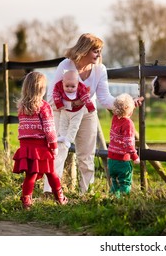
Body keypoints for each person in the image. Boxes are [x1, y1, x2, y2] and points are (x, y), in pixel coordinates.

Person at [44, 33, 143, 194]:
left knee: (87, 155)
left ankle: (86, 193)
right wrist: (72, 104)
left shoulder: (99, 69)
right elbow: (50, 98)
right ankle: (51, 191)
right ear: (84, 50)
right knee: (59, 150)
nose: (99, 54)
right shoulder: (66, 66)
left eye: (100, 51)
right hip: (62, 112)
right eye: (95, 50)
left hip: (86, 113)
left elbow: (105, 98)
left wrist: (127, 102)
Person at [12, 72, 68, 210]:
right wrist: (54, 146)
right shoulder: (43, 107)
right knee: (51, 173)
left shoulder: (22, 107)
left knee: (30, 175)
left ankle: (26, 201)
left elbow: (23, 129)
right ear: (42, 89)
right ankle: (60, 198)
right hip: (40, 147)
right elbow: (49, 128)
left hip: (26, 147)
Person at [107, 93, 140, 198]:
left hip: (111, 159)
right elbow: (128, 143)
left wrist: (132, 104)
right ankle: (124, 201)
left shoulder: (115, 118)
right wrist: (135, 157)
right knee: (124, 182)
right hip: (122, 160)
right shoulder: (128, 123)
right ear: (127, 109)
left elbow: (123, 108)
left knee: (114, 182)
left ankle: (112, 200)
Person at [52, 70, 95, 148]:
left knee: (74, 126)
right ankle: (62, 136)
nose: (70, 89)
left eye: (73, 86)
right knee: (63, 123)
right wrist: (59, 104)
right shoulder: (58, 86)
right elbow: (55, 95)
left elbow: (86, 98)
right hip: (65, 109)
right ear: (62, 83)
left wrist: (90, 107)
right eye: (67, 86)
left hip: (77, 111)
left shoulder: (81, 88)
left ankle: (69, 139)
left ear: (77, 84)